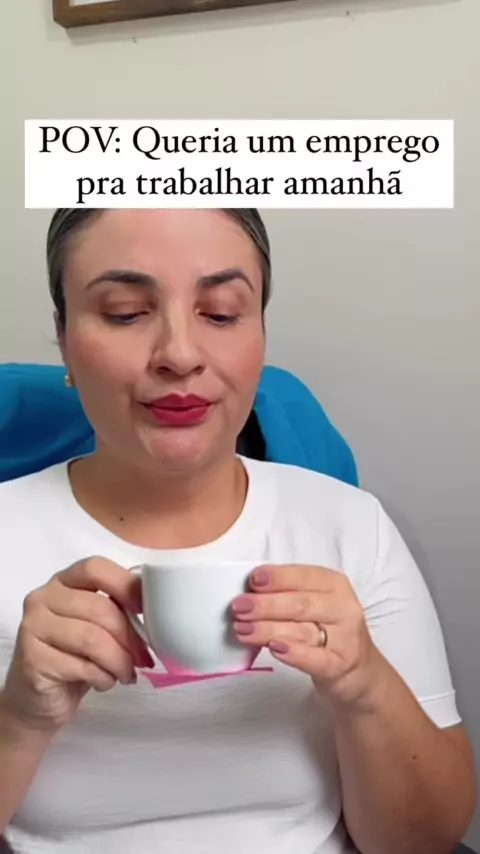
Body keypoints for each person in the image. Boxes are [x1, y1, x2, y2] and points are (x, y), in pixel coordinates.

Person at [0, 208, 475, 854]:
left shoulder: (350, 525)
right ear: (63, 338)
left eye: (221, 314)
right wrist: (20, 719)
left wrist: (363, 684)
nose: (179, 355)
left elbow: (425, 840)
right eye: (125, 313)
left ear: (261, 333)